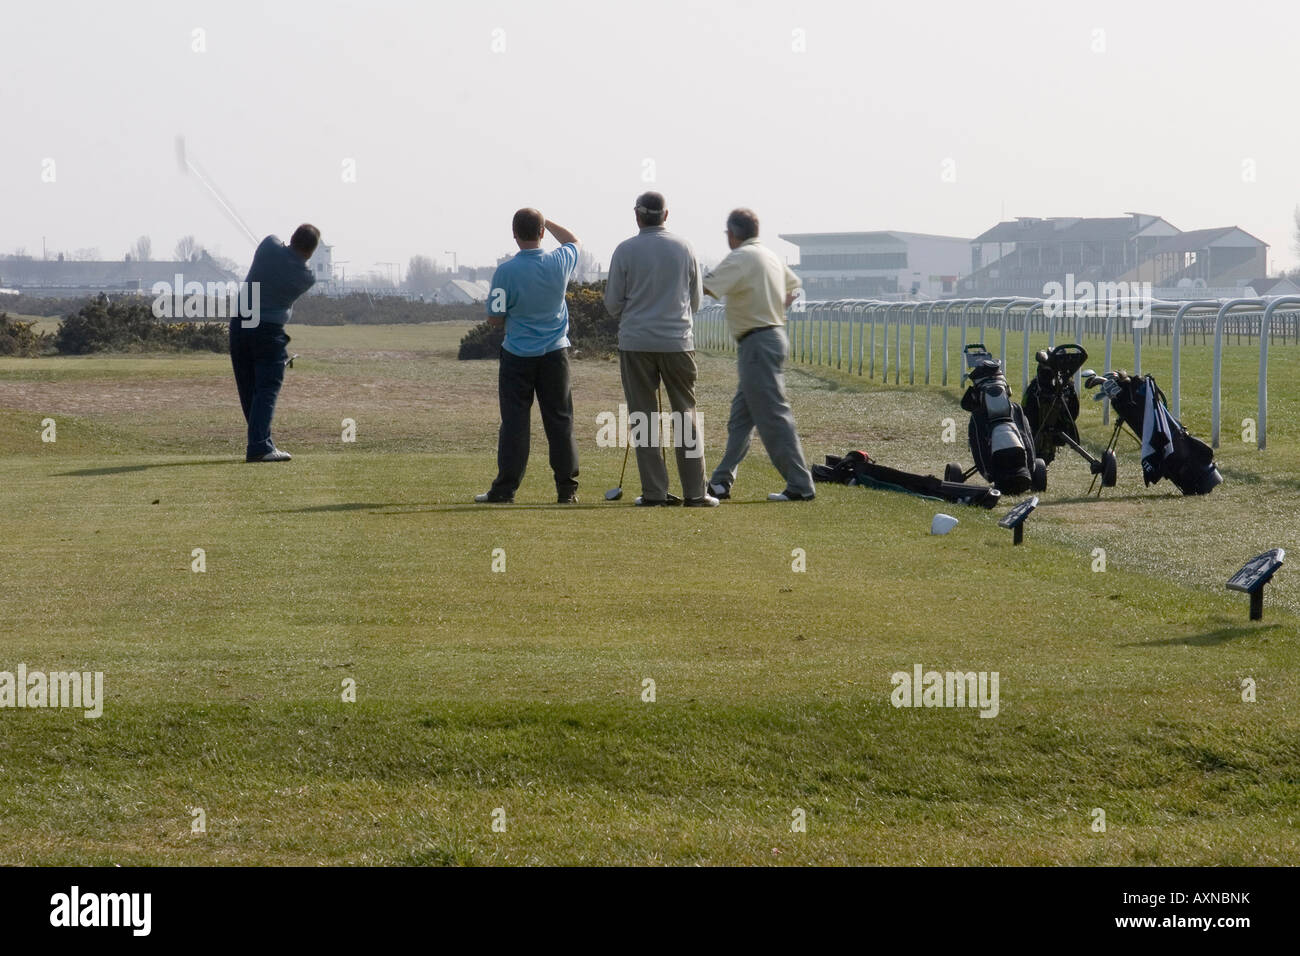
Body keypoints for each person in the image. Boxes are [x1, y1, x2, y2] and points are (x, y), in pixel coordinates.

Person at [603, 192, 715, 507]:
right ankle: (696, 492)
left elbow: (612, 304)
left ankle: (654, 491)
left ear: (637, 216)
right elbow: (695, 301)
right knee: (686, 416)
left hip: (636, 343)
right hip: (678, 342)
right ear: (666, 215)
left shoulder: (625, 250)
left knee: (644, 418)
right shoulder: (684, 247)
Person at [702, 208, 815, 501]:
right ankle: (720, 482)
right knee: (741, 418)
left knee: (774, 417)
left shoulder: (740, 257)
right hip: (772, 336)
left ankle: (800, 486)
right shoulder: (769, 255)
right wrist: (774, 308)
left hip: (757, 343)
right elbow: (794, 288)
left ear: (732, 233)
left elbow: (706, 287)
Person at [475, 208, 581, 504]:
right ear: (542, 232)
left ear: (514, 233)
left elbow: (495, 318)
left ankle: (505, 489)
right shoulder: (560, 261)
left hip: (518, 355)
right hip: (555, 353)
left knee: (515, 424)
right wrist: (548, 221)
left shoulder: (505, 272)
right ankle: (566, 489)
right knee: (560, 422)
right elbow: (573, 240)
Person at [230, 224, 319, 462]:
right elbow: (303, 266)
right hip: (268, 331)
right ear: (310, 252)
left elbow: (274, 239)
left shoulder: (268, 246)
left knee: (249, 387)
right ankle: (259, 445)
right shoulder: (306, 277)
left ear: (292, 238)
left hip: (240, 324)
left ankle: (260, 441)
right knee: (267, 387)